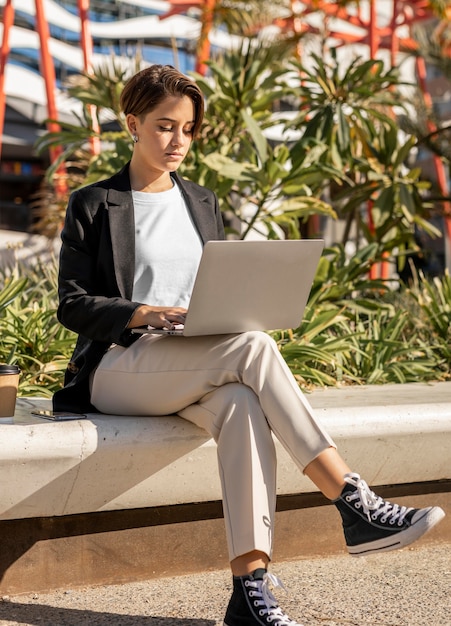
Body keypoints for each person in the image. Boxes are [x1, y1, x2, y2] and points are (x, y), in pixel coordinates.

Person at [54, 64, 445, 626]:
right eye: (165, 126)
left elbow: (217, 284)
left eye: (188, 130)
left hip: (190, 357)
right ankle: (352, 501)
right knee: (255, 349)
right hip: (119, 367)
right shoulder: (95, 203)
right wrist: (142, 312)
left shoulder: (202, 202)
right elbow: (72, 305)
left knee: (240, 407)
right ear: (133, 123)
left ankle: (250, 590)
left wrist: (227, 310)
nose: (178, 141)